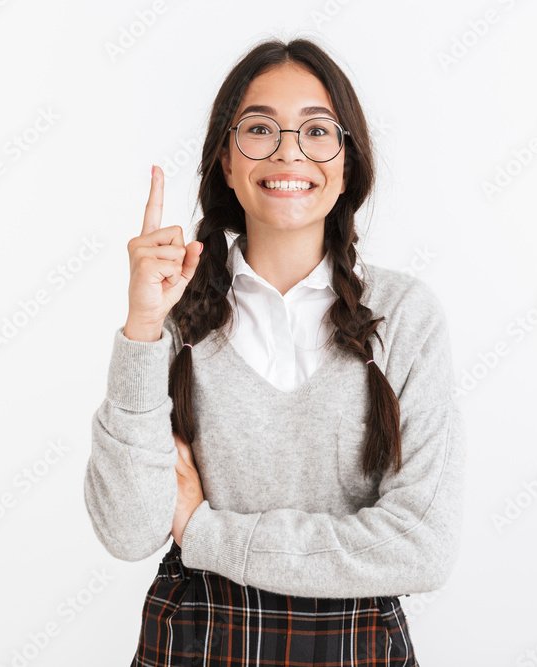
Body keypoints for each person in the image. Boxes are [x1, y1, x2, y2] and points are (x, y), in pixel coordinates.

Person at [84, 36, 466, 666]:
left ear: (346, 163)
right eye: (260, 129)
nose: (289, 151)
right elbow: (127, 532)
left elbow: (421, 546)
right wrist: (142, 328)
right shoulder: (173, 314)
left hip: (356, 650)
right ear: (225, 163)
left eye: (317, 131)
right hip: (197, 646)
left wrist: (204, 531)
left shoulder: (403, 316)